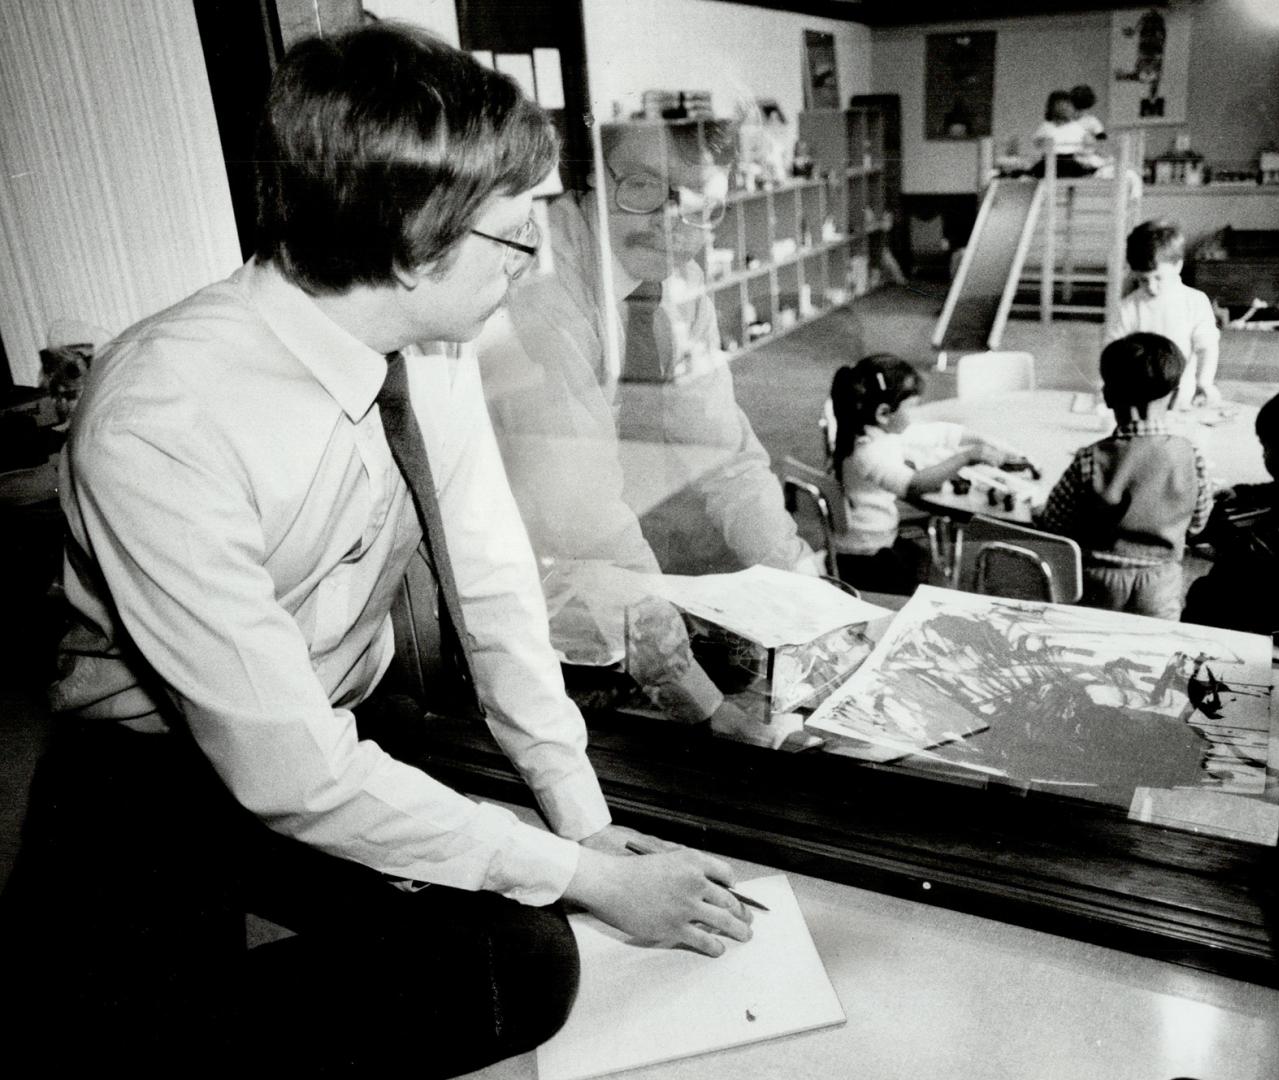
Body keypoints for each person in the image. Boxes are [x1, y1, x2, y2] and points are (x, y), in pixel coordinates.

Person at [0, 23, 753, 1079]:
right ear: (411, 243)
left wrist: (582, 823)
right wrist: (590, 880)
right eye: (515, 236)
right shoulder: (160, 416)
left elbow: (491, 590)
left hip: (337, 728)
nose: (535, 262)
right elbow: (288, 773)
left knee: (525, 961)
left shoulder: (428, 344)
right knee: (97, 1050)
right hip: (149, 764)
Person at [479, 118, 817, 730]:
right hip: (529, 623)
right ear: (589, 179)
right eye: (641, 186)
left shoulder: (678, 284)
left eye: (698, 204)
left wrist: (799, 580)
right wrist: (700, 700)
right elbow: (583, 521)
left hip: (628, 580)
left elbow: (727, 455)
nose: (669, 221)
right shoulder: (536, 291)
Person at [1034, 332, 1213, 619]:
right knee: (1154, 653)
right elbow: (1198, 524)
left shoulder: (1089, 459)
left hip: (1096, 583)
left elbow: (1055, 524)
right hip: (1161, 584)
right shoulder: (1191, 456)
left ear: (1106, 396)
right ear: (1176, 396)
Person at [830, 354, 1008, 595]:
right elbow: (915, 485)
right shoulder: (868, 452)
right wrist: (966, 457)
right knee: (927, 580)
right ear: (884, 414)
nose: (916, 416)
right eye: (913, 408)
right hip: (865, 554)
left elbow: (930, 433)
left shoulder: (871, 432)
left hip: (874, 539)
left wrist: (978, 438)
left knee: (925, 565)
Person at [1181, 387, 1279, 645]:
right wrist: (1238, 492)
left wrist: (1207, 531)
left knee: (1207, 594)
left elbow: (1246, 552)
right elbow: (1275, 490)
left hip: (1261, 617)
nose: (1264, 455)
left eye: (1266, 447)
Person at [1106, 219, 1222, 408]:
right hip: (1137, 395)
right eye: (1143, 280)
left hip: (1182, 395)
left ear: (1178, 265)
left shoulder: (1195, 301)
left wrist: (1204, 383)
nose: (1151, 287)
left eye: (1158, 278)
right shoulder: (1127, 308)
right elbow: (1111, 353)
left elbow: (1207, 347)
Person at [1030, 89, 1099, 178]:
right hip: (1048, 162)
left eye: (1067, 105)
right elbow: (1038, 143)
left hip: (1069, 163)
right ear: (1052, 107)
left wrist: (1084, 154)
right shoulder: (1045, 127)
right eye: (1059, 105)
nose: (1064, 108)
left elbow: (1090, 145)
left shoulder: (1077, 128)